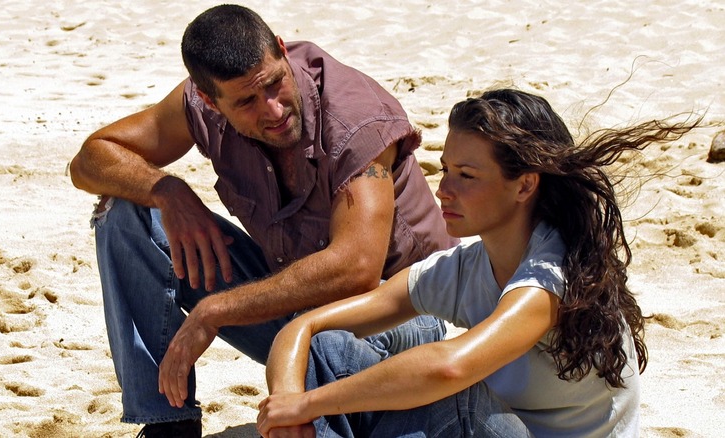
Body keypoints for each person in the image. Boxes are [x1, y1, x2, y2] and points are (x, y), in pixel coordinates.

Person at [69, 4, 457, 437]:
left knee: (320, 336)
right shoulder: (198, 106)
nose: (272, 110)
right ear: (206, 98)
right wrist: (168, 191)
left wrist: (211, 312)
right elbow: (90, 158)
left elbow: (357, 269)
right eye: (247, 102)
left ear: (281, 50)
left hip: (402, 317)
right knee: (125, 215)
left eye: (275, 83)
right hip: (296, 310)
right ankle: (167, 425)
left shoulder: (354, 117)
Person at [257, 89, 700, 437]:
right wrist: (288, 411)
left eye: (466, 176)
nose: (443, 189)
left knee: (458, 396)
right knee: (328, 347)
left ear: (525, 186)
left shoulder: (552, 277)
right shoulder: (468, 266)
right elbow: (304, 328)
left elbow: (451, 366)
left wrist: (310, 406)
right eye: (445, 169)